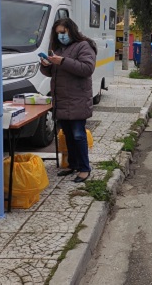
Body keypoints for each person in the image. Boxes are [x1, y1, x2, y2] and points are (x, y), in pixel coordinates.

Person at [40, 18, 96, 183]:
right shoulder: (58, 48)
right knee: (68, 135)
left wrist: (63, 61)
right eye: (58, 33)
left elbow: (87, 68)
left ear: (72, 30)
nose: (61, 36)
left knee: (79, 135)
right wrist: (46, 65)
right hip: (62, 100)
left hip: (77, 99)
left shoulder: (84, 46)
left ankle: (85, 169)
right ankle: (73, 165)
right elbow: (53, 73)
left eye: (63, 32)